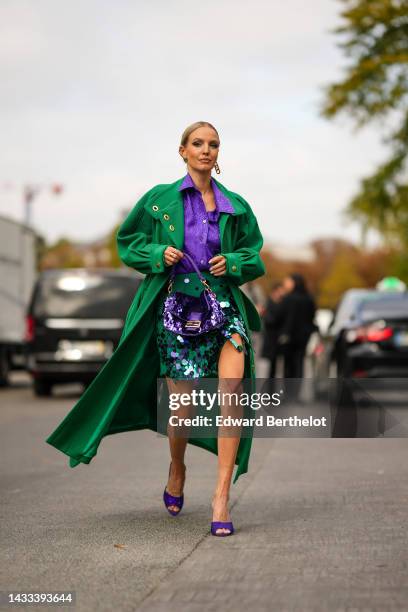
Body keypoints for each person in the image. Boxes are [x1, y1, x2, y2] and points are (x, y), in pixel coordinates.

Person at [45, 121, 265, 537]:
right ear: (182, 151)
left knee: (231, 394)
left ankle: (220, 497)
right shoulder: (158, 200)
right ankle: (177, 467)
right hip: (176, 310)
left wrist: (233, 263)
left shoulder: (235, 204)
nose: (206, 150)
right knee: (180, 409)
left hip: (223, 308)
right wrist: (156, 253)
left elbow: (255, 254)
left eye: (213, 144)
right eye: (198, 144)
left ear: (219, 154)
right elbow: (126, 242)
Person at [276, 273, 316, 401]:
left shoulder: (288, 298)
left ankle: (288, 394)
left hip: (288, 337)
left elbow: (281, 316)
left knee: (288, 365)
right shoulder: (309, 298)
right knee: (299, 364)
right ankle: (296, 394)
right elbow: (312, 316)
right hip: (303, 337)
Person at [261, 282, 284, 389]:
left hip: (276, 339)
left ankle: (272, 389)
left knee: (274, 367)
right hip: (270, 338)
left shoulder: (281, 303)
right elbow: (269, 320)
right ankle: (267, 388)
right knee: (267, 366)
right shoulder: (269, 303)